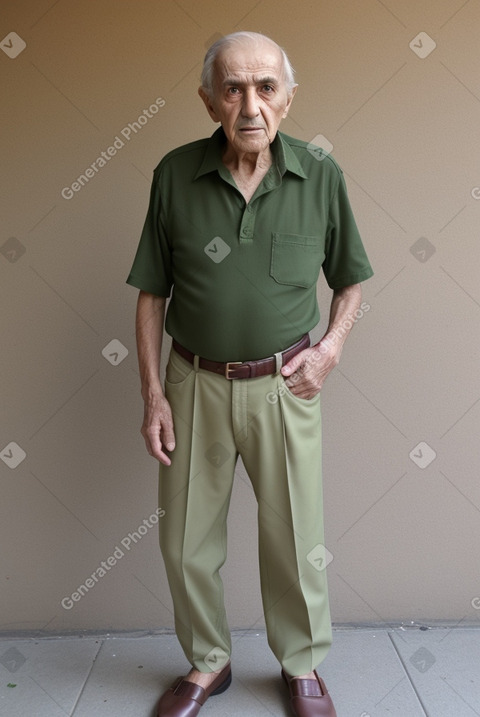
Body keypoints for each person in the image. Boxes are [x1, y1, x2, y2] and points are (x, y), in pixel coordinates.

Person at [126, 30, 373, 717]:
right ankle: (208, 660)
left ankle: (301, 665)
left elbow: (351, 282)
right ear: (210, 100)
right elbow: (151, 294)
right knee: (183, 541)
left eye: (266, 87)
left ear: (288, 99)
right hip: (192, 382)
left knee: (296, 540)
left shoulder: (320, 173)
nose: (250, 104)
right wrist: (152, 395)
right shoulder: (174, 174)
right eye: (233, 87)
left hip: (284, 386)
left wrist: (328, 351)